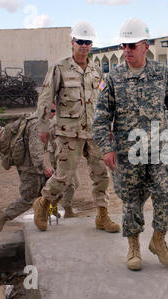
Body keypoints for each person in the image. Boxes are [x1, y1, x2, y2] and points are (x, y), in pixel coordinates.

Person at [93, 18, 168, 271]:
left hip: (159, 148)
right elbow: (102, 116)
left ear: (145, 46)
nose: (126, 51)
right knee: (131, 200)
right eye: (123, 45)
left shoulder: (161, 73)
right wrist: (106, 147)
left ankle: (159, 240)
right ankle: (133, 247)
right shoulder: (113, 78)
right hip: (128, 153)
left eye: (132, 46)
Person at [33, 21, 120, 233]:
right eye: (80, 41)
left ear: (91, 44)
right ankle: (43, 203)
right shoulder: (59, 68)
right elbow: (46, 98)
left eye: (87, 42)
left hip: (95, 132)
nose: (84, 45)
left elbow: (103, 100)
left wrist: (109, 126)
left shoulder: (96, 71)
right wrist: (43, 126)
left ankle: (102, 215)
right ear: (72, 42)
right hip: (69, 133)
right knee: (64, 175)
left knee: (101, 175)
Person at [0, 113, 53, 232]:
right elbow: (35, 151)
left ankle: (43, 218)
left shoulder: (33, 119)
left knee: (41, 194)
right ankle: (1, 218)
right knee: (29, 198)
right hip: (31, 168)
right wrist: (44, 168)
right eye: (53, 111)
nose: (54, 114)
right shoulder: (37, 124)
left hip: (26, 165)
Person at [48, 106, 79, 218]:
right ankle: (67, 209)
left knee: (74, 183)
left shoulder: (61, 119)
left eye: (54, 111)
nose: (52, 113)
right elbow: (58, 144)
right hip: (61, 156)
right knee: (69, 184)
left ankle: (51, 204)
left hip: (66, 156)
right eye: (51, 111)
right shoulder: (55, 123)